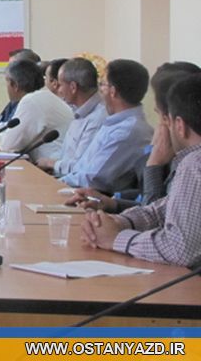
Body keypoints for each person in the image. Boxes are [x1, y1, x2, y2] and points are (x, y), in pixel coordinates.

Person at [80, 74, 201, 267]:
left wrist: (116, 239)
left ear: (179, 125)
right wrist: (120, 221)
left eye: (165, 120)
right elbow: (164, 209)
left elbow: (180, 250)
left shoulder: (194, 163)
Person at [68, 61, 201, 212]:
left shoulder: (190, 165)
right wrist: (112, 203)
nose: (160, 126)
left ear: (176, 121)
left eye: (160, 115)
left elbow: (159, 217)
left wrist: (154, 165)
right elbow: (156, 209)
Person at [60, 59, 153, 194]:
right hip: (75, 187)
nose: (100, 90)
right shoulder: (116, 122)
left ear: (113, 91)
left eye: (102, 84)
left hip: (89, 197)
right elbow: (82, 168)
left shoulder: (127, 131)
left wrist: (53, 183)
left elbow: (92, 179)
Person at [37, 57, 107, 176]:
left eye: (60, 85)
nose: (58, 90)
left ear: (73, 87)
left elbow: (81, 167)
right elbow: (67, 155)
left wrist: (50, 163)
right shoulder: (78, 110)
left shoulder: (98, 117)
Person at [0, 59, 73, 163]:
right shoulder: (42, 97)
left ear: (15, 85)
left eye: (7, 83)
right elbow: (15, 135)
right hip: (56, 164)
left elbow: (8, 146)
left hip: (53, 168)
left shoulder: (32, 101)